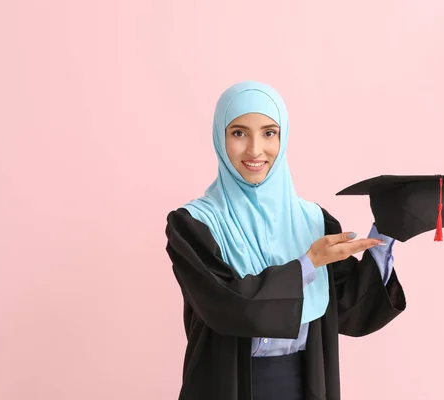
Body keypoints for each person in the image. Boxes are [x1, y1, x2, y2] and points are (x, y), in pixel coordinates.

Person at [165, 81, 406, 400]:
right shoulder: (193, 224)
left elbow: (349, 308)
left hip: (302, 383)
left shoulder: (312, 221)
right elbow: (228, 305)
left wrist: (385, 233)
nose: (254, 150)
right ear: (219, 137)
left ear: (284, 137)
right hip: (228, 387)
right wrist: (308, 265)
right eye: (239, 133)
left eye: (269, 133)